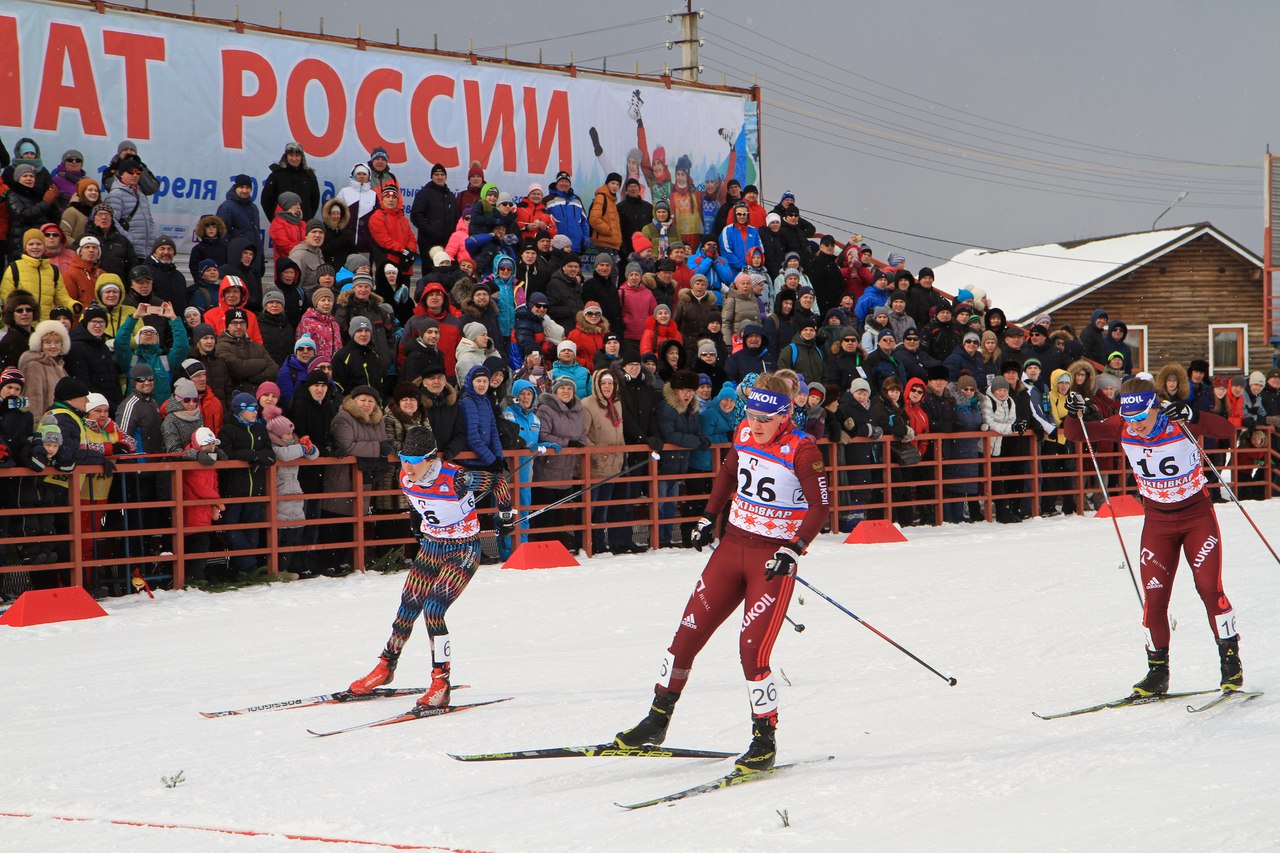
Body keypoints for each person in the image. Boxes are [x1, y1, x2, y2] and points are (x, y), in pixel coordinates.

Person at [615, 373, 829, 773]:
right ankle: (656, 720)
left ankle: (764, 739)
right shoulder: (745, 433)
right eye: (753, 414)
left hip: (770, 560)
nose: (758, 423)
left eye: (767, 417)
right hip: (731, 549)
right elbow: (729, 474)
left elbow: (820, 507)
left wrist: (794, 548)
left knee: (752, 650)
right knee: (685, 635)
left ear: (785, 415)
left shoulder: (803, 449)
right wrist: (707, 516)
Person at [1063, 378, 1244, 696]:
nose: (1135, 427)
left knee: (1209, 590)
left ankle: (1231, 665)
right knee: (1154, 602)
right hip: (1158, 523)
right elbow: (1077, 433)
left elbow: (1228, 431)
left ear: (1153, 407)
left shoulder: (1177, 419)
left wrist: (1194, 415)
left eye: (1140, 419)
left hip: (1196, 517)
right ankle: (1157, 673)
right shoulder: (1122, 425)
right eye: (1129, 419)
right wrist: (1072, 411)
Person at [347, 426, 514, 708]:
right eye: (403, 459)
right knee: (408, 605)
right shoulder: (404, 477)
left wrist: (506, 516)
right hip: (432, 546)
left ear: (431, 459)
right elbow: (418, 504)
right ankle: (386, 666)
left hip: (462, 549)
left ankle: (441, 683)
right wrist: (416, 524)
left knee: (434, 609)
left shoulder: (458, 478)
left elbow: (498, 483)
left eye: (414, 461)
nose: (407, 467)